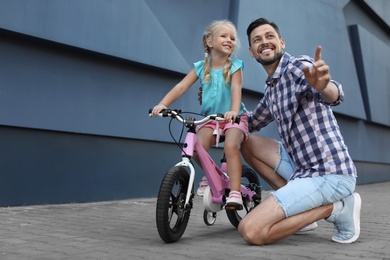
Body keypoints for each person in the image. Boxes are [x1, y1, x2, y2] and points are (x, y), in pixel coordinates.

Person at [234, 18, 361, 245]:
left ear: (281, 42)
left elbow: (334, 93)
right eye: (257, 40)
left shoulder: (298, 67)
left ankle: (336, 208)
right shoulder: (271, 87)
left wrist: (323, 85)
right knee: (248, 142)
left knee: (251, 231)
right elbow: (252, 121)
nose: (264, 42)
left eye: (269, 36)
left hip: (330, 173)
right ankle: (302, 215)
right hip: (302, 169)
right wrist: (222, 112)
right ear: (252, 52)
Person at [151, 20, 249, 209]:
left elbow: (237, 90)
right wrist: (163, 104)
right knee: (196, 148)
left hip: (234, 118)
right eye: (224, 36)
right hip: (211, 120)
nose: (229, 40)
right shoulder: (200, 67)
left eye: (232, 38)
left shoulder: (235, 67)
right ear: (209, 42)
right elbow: (181, 86)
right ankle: (212, 177)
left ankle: (235, 191)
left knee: (230, 146)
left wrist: (234, 112)